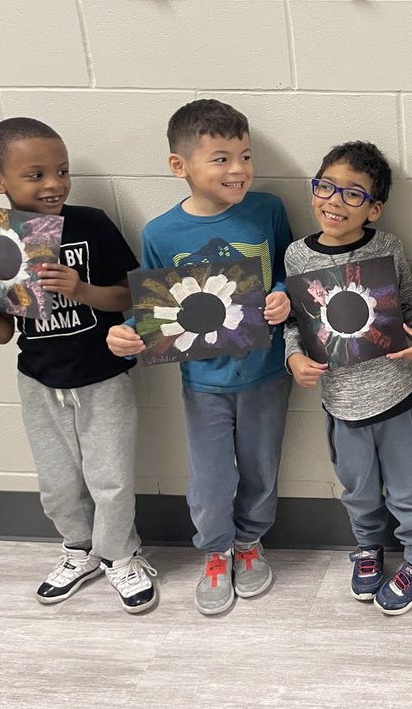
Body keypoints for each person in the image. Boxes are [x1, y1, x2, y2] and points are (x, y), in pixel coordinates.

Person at [0, 117, 156, 613]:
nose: (54, 185)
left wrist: (81, 290)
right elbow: (2, 333)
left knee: (110, 478)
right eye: (36, 175)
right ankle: (79, 550)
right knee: (58, 482)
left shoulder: (90, 224)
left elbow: (135, 295)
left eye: (61, 172)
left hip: (102, 375)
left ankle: (120, 555)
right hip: (39, 381)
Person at [107, 99, 293, 616]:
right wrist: (125, 334)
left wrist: (281, 293)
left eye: (245, 155)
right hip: (204, 383)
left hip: (266, 372)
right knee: (210, 478)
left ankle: (249, 543)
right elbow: (153, 310)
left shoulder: (268, 210)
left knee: (261, 466)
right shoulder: (161, 234)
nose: (238, 170)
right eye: (220, 158)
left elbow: (287, 266)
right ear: (179, 166)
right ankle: (215, 551)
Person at [285, 141, 412, 615]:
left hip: (396, 396)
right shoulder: (297, 257)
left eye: (353, 194)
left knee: (410, 488)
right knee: (357, 488)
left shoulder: (387, 247)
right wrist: (293, 358)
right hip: (340, 403)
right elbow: (295, 322)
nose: (335, 200)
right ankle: (369, 548)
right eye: (327, 187)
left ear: (374, 208)